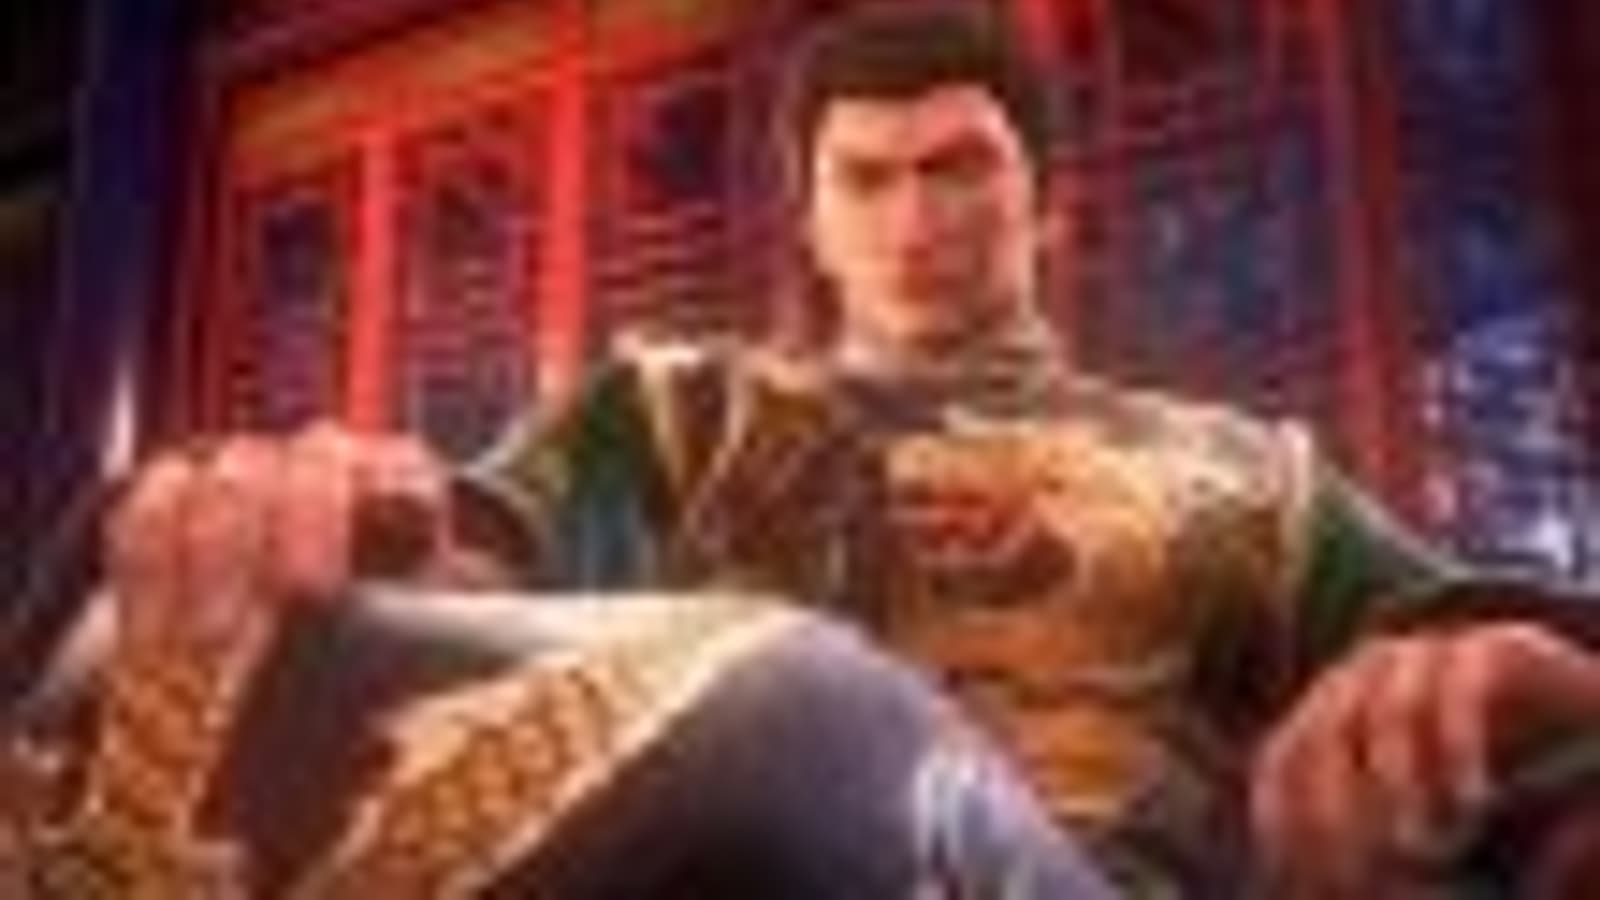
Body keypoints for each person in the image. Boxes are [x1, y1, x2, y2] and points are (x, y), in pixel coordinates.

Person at [19, 2, 1600, 897]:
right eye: (869, 178)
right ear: (812, 221)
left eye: (959, 169)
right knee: (132, 649)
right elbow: (484, 546)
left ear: (1044, 204)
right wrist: (343, 536)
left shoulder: (1245, 472)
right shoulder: (675, 408)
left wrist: (1493, 678)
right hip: (697, 847)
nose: (916, 217)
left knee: (792, 713)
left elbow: (1491, 655)